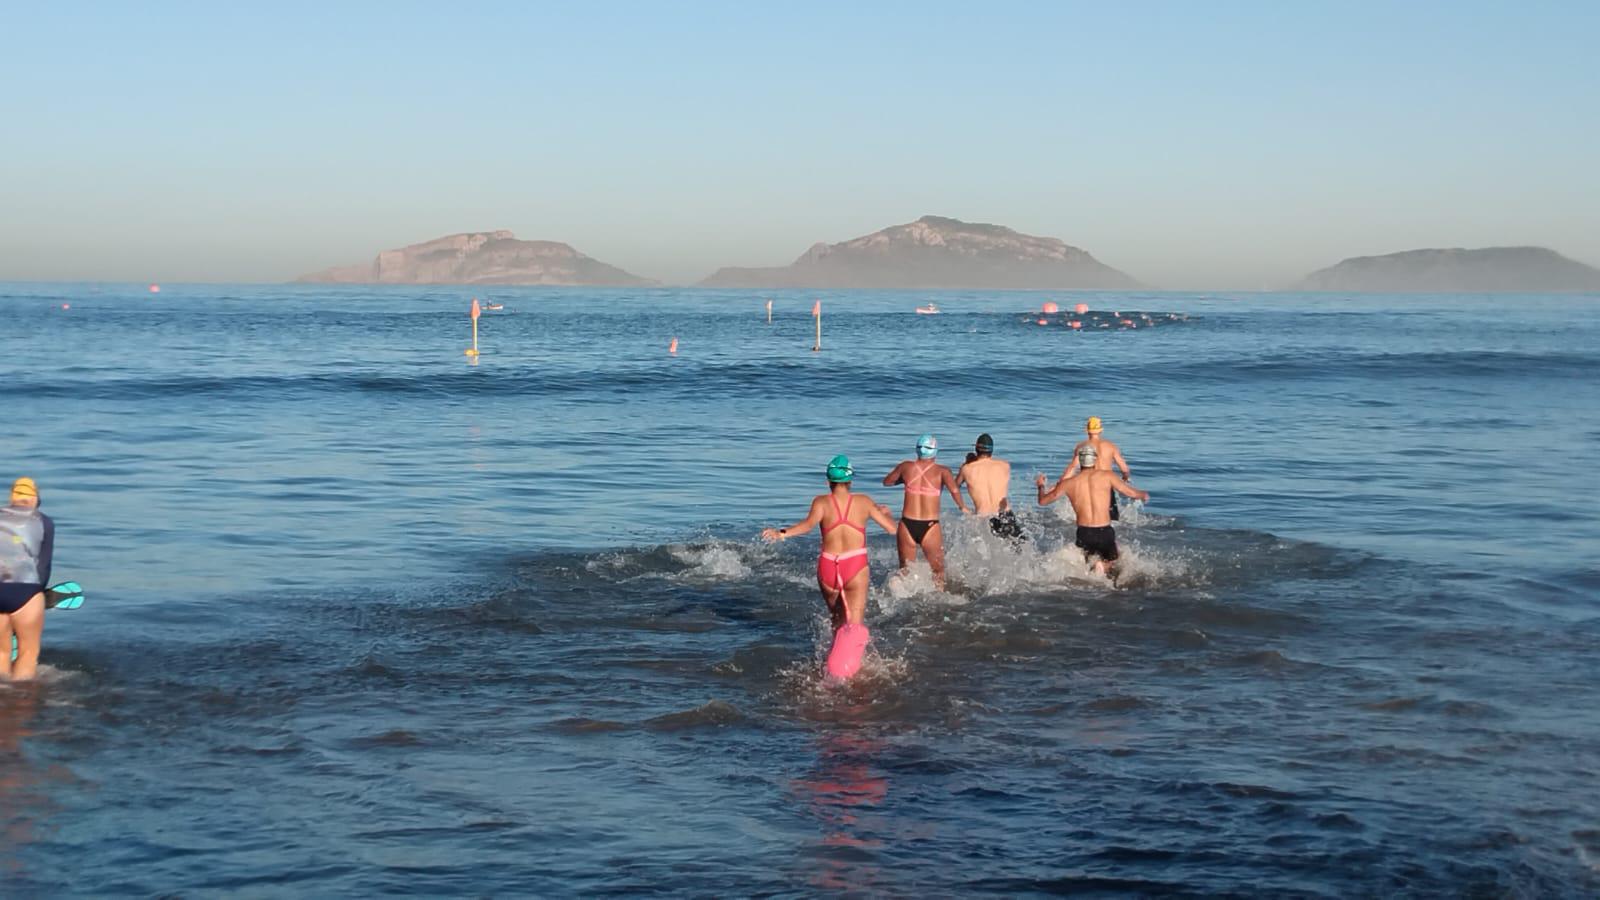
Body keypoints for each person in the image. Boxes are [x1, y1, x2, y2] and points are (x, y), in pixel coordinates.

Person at [763, 455, 899, 679]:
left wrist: (781, 533)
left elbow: (807, 526)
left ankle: (831, 665)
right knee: (854, 624)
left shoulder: (821, 502)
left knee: (837, 620)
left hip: (828, 566)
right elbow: (892, 529)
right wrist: (886, 514)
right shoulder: (864, 502)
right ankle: (850, 673)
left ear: (828, 481)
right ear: (850, 480)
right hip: (854, 564)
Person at [1037, 445, 1149, 578]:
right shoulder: (1108, 476)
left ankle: (1095, 573)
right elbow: (1130, 493)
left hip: (1084, 532)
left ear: (1080, 461)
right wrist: (1143, 494)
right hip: (1104, 530)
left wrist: (1040, 486)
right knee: (1112, 561)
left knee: (1089, 562)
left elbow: (1042, 501)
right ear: (1095, 460)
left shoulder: (1068, 483)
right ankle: (1103, 566)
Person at [882, 434, 968, 589]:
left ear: (917, 450)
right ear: (935, 451)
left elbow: (887, 482)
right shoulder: (943, 471)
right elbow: (955, 490)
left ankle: (901, 597)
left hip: (907, 524)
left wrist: (904, 479)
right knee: (938, 571)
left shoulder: (905, 467)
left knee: (905, 571)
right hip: (929, 525)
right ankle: (938, 595)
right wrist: (963, 507)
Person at [1, 477, 54, 681]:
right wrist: (39, 594)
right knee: (28, 653)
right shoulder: (43, 521)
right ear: (35, 499)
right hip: (25, 591)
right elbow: (43, 567)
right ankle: (22, 697)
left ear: (12, 498)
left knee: (1, 652)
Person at [1062, 415, 1134, 521]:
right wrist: (1125, 478)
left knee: (1087, 516)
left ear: (1087, 431)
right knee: (1112, 518)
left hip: (1087, 483)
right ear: (1101, 430)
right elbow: (1124, 469)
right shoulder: (1111, 446)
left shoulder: (1081, 446)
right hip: (1106, 484)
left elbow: (1072, 467)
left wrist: (1061, 483)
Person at [958, 433, 1023, 540]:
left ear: (976, 449)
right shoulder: (1005, 466)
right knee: (1019, 545)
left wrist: (963, 507)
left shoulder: (966, 469)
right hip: (1005, 515)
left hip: (984, 518)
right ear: (991, 450)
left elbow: (955, 487)